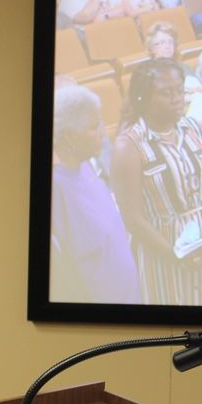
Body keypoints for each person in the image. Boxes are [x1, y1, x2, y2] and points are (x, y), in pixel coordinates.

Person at [111, 58, 202, 306]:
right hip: (161, 251)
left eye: (179, 90)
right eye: (166, 93)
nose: (177, 98)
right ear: (143, 98)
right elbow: (132, 217)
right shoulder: (129, 146)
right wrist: (175, 256)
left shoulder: (199, 129)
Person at [50, 85, 141, 304]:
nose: (102, 132)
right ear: (69, 137)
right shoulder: (57, 187)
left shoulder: (87, 166)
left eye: (100, 123)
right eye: (93, 127)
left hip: (129, 293)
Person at [143, 21, 202, 100]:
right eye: (162, 42)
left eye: (170, 42)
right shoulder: (147, 74)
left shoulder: (185, 67)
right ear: (152, 48)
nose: (167, 46)